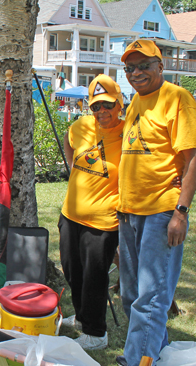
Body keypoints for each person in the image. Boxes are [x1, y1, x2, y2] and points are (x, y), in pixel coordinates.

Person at [117, 39, 196, 366]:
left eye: (143, 66)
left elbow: (194, 156)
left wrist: (180, 211)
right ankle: (157, 354)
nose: (136, 73)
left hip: (161, 211)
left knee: (151, 298)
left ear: (160, 65)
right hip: (129, 212)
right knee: (131, 295)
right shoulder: (137, 99)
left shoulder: (178, 99)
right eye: (129, 68)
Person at [59, 74, 124, 350]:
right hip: (70, 214)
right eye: (96, 106)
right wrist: (71, 166)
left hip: (103, 221)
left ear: (119, 103)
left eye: (107, 104)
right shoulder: (81, 126)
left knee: (94, 277)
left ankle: (96, 333)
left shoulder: (128, 132)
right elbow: (68, 139)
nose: (101, 112)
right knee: (72, 272)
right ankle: (82, 318)